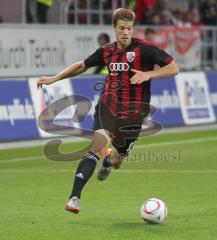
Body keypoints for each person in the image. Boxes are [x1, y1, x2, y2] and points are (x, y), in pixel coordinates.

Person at [36, 8, 179, 214]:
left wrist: (148, 74)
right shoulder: (106, 51)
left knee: (118, 160)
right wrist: (53, 78)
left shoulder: (146, 49)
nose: (125, 32)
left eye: (129, 28)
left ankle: (109, 162)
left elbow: (174, 68)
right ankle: (74, 197)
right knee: (97, 145)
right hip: (108, 107)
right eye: (121, 28)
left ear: (133, 29)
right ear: (114, 28)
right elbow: (81, 65)